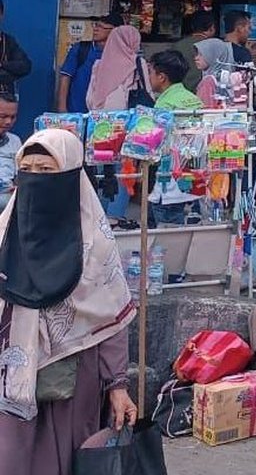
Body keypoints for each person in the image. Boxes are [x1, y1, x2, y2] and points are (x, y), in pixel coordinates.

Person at [0, 129, 138, 475]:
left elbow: (111, 320)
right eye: (27, 170)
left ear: (71, 175)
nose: (35, 179)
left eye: (46, 170)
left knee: (66, 459)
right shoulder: (3, 235)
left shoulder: (95, 247)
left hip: (76, 380)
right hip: (10, 377)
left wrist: (118, 385)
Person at [147, 51, 204, 226]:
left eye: (150, 72)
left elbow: (156, 141)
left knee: (167, 230)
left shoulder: (164, 104)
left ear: (161, 77)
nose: (148, 77)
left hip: (169, 177)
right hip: (192, 174)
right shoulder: (193, 99)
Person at [56, 12, 121, 113]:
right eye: (96, 25)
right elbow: (65, 77)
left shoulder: (120, 55)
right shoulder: (81, 49)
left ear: (114, 31)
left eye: (101, 27)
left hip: (105, 115)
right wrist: (62, 108)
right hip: (76, 112)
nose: (96, 29)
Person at [85, 25, 148, 111]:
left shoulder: (98, 64)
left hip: (101, 113)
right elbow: (147, 89)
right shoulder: (138, 62)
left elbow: (90, 97)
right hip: (128, 114)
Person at [170, 10, 216, 91]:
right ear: (211, 28)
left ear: (192, 26)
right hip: (206, 93)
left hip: (182, 92)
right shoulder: (215, 47)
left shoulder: (177, 45)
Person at [193, 37, 236, 109]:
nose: (196, 58)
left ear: (214, 55)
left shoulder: (208, 81)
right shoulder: (230, 78)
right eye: (197, 54)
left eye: (201, 54)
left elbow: (206, 110)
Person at [0, 0, 31, 98]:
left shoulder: (8, 41)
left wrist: (2, 64)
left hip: (4, 101)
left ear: (1, 15)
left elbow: (25, 66)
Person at [0, 94, 18, 211]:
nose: (8, 122)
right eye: (3, 116)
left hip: (8, 195)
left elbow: (19, 175)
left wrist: (19, 187)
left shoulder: (15, 141)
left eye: (13, 117)